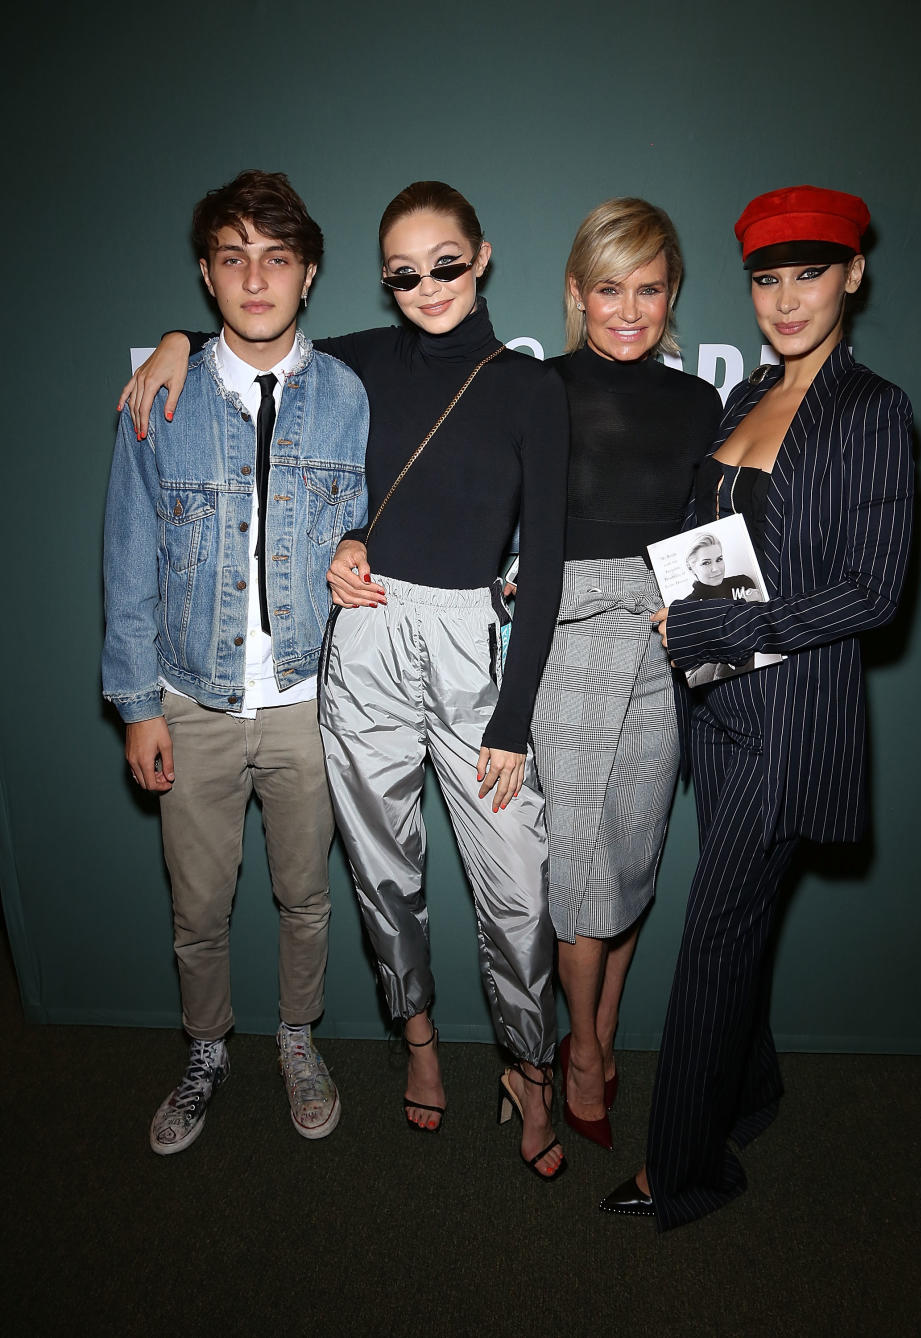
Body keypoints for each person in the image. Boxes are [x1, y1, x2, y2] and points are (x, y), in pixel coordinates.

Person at [118, 181, 571, 1179]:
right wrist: (174, 341)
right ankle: (417, 1046)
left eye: (446, 263)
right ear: (383, 278)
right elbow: (255, 342)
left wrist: (516, 714)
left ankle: (531, 1068)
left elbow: (546, 567)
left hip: (470, 652)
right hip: (360, 644)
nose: (427, 287)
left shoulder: (533, 388)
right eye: (405, 272)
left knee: (517, 891)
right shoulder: (358, 362)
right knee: (381, 877)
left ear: (482, 256)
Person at [600, 185, 914, 1227]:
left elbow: (873, 591)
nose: (785, 301)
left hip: (789, 725)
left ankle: (681, 1170)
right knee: (741, 929)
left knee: (717, 938)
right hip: (717, 716)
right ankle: (752, 1094)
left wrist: (713, 631)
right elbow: (710, 546)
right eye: (768, 281)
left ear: (853, 275)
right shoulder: (743, 403)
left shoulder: (872, 411)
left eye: (809, 275)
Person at [104, 170, 369, 1154]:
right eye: (233, 257)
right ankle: (206, 1048)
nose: (255, 279)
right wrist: (138, 706)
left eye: (276, 257)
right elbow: (127, 555)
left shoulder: (350, 396)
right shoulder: (159, 401)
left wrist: (365, 544)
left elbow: (384, 520)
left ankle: (297, 1036)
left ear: (308, 274)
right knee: (196, 909)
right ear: (207, 276)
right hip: (191, 697)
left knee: (306, 895)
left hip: (310, 701)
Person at [528, 199, 720, 1150]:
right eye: (610, 288)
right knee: (582, 870)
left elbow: (708, 537)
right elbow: (385, 367)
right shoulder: (539, 387)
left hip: (661, 638)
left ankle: (592, 1032)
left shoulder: (698, 403)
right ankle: (588, 1053)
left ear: (671, 292)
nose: (630, 309)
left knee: (633, 859)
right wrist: (184, 338)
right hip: (567, 639)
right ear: (577, 293)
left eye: (648, 288)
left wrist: (699, 624)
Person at [684, 533, 760, 601]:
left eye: (719, 559)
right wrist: (744, 601)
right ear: (691, 569)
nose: (716, 569)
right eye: (706, 563)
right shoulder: (688, 606)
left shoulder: (742, 583)